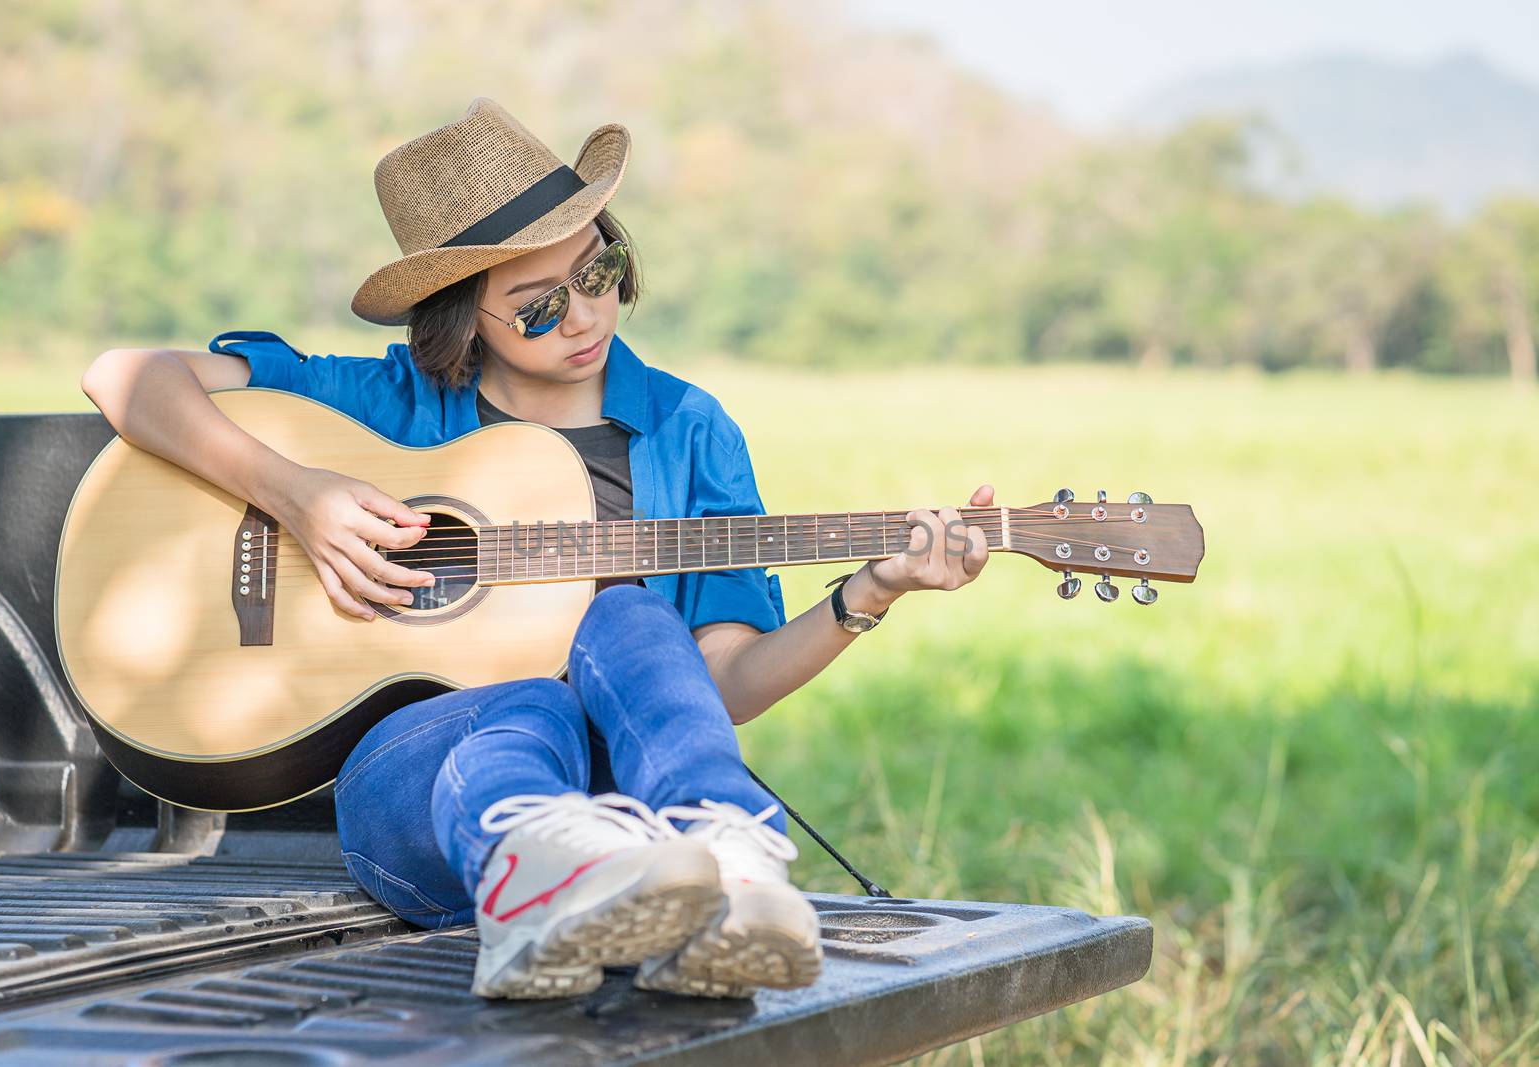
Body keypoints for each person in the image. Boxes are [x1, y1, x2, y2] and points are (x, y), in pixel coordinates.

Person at [79, 97, 995, 1000]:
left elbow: (714, 683)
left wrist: (866, 594)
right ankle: (538, 876)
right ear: (459, 318)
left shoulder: (686, 427)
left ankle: (733, 867)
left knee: (628, 612)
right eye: (538, 306)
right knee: (529, 707)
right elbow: (124, 377)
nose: (586, 316)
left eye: (599, 273)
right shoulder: (390, 405)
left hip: (629, 824)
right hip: (419, 795)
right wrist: (297, 492)